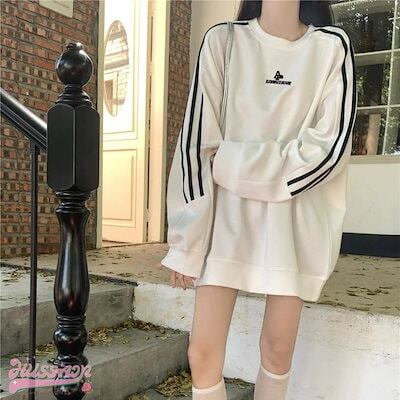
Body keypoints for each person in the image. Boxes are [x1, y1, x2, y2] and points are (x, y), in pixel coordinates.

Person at [160, 0, 357, 399]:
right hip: (224, 222)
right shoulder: (223, 41)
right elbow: (195, 147)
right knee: (202, 354)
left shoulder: (331, 47)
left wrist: (231, 161)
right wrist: (186, 240)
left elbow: (329, 151)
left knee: (278, 350)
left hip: (295, 224)